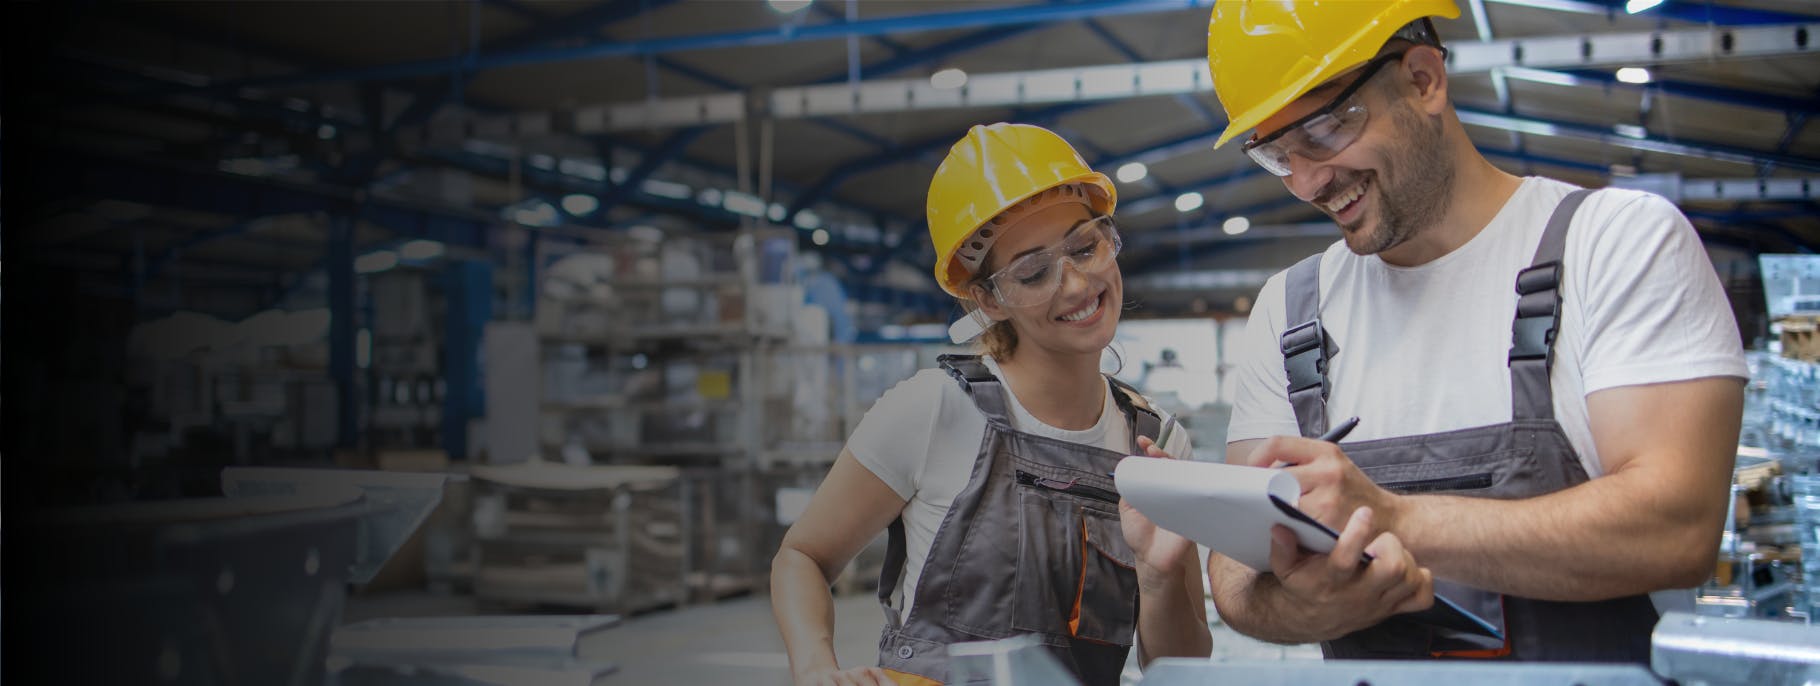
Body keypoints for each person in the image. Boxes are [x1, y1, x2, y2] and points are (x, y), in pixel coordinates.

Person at [1205, 0, 1748, 661]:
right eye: (1278, 155)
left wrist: (1400, 520)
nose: (1309, 181)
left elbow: (1677, 530)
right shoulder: (1291, 310)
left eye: (1323, 132)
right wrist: (1303, 607)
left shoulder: (1613, 243)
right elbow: (1234, 575)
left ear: (1424, 80)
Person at [770, 123, 1214, 686]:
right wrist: (815, 668)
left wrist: (1157, 575)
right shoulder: (935, 410)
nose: (1077, 285)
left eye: (1085, 246)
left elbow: (1183, 668)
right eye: (1033, 272)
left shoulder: (1156, 444)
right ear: (987, 298)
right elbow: (802, 557)